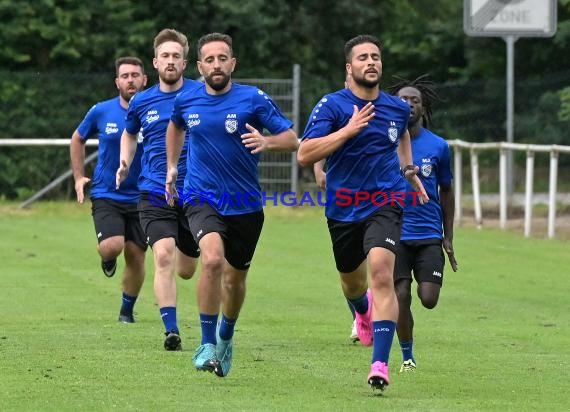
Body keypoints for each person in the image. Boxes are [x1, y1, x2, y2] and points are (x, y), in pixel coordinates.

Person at [297, 34, 428, 391]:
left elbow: (401, 136)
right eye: (363, 58)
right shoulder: (332, 106)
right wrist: (348, 130)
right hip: (342, 209)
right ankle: (361, 309)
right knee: (353, 284)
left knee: (382, 274)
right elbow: (305, 153)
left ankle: (380, 364)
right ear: (349, 67)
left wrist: (409, 170)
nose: (370, 62)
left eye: (375, 57)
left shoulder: (396, 108)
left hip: (385, 202)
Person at [165, 32, 298, 377]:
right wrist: (172, 166)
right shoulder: (187, 100)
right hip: (200, 196)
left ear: (233, 63)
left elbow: (292, 138)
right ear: (199, 66)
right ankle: (207, 343)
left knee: (235, 280)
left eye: (222, 58)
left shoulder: (252, 98)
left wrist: (267, 142)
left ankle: (226, 335)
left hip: (245, 204)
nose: (216, 65)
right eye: (209, 60)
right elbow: (175, 127)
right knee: (211, 260)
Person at [116, 29, 201, 351]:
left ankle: (189, 250)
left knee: (187, 269)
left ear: (184, 62)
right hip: (153, 190)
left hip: (196, 191)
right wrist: (125, 162)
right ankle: (171, 329)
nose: (170, 61)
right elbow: (128, 134)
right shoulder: (142, 100)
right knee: (163, 256)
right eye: (164, 55)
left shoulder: (201, 93)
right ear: (155, 62)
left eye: (175, 56)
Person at [388, 74, 458, 373]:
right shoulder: (383, 143)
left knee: (428, 299)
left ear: (422, 108)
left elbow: (447, 190)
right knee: (400, 295)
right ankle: (407, 356)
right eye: (402, 99)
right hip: (394, 230)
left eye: (414, 100)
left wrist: (449, 236)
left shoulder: (439, 146)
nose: (408, 104)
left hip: (428, 233)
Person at [70, 56, 148, 324]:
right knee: (113, 246)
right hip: (107, 193)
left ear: (144, 80)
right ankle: (107, 257)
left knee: (137, 256)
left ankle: (126, 311)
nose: (130, 80)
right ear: (117, 82)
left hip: (143, 195)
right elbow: (78, 138)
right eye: (125, 76)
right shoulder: (101, 111)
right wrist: (79, 177)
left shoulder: (155, 112)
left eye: (135, 75)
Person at [313, 71, 359, 343]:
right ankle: (359, 315)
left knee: (379, 261)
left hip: (377, 199)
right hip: (343, 199)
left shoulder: (383, 110)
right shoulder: (334, 108)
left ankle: (377, 318)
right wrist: (319, 170)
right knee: (351, 270)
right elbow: (317, 143)